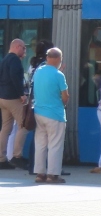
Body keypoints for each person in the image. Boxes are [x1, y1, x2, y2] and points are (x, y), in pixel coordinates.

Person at [30, 47, 69, 184]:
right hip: (55, 114)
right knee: (55, 145)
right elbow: (65, 96)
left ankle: (40, 174)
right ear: (59, 59)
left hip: (38, 113)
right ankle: (52, 175)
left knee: (40, 144)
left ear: (47, 58)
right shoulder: (59, 75)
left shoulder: (38, 72)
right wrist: (63, 103)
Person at [0, 38, 27, 168]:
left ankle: (1, 159)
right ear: (17, 46)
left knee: (6, 128)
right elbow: (14, 76)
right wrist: (21, 94)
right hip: (13, 98)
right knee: (24, 125)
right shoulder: (15, 60)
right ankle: (17, 156)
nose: (25, 51)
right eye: (23, 48)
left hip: (3, 98)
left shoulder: (4, 59)